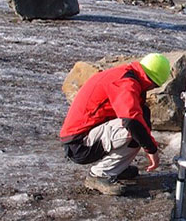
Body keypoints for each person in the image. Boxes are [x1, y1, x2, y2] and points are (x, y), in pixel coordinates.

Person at [60, 53, 171, 195]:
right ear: (151, 81)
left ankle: (116, 167)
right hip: (78, 144)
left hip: (86, 135)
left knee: (142, 117)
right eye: (154, 86)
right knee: (134, 130)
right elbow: (131, 120)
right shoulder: (125, 83)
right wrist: (152, 150)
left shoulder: (127, 74)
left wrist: (150, 144)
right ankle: (99, 175)